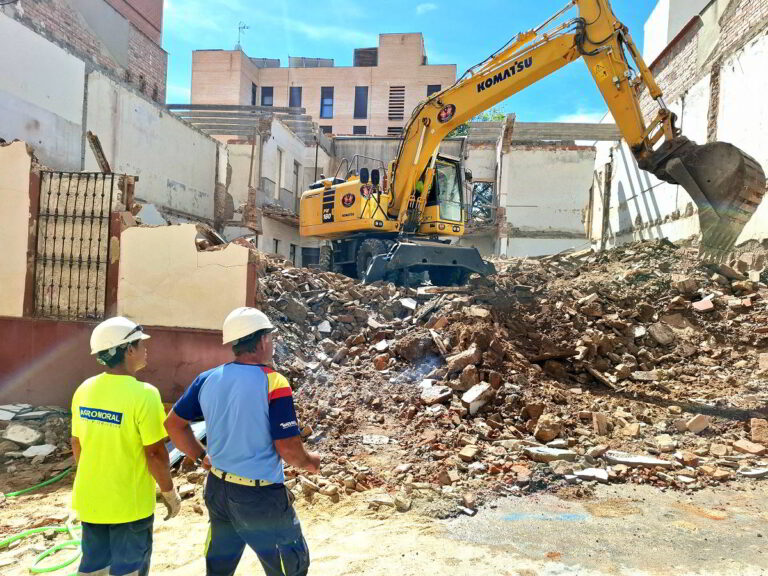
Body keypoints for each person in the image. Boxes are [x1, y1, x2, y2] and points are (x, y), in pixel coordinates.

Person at [164, 307, 320, 576]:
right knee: (289, 566)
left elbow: (173, 425)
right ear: (261, 341)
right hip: (259, 497)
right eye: (270, 337)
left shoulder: (208, 378)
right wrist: (309, 462)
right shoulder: (274, 382)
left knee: (220, 566)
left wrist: (201, 457)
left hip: (218, 488)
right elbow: (287, 448)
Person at [71, 316, 181, 576]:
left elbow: (77, 444)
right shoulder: (145, 394)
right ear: (128, 350)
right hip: (130, 506)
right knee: (128, 569)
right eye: (141, 344)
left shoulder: (84, 389)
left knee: (94, 568)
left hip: (91, 501)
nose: (146, 349)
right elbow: (154, 453)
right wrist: (169, 492)